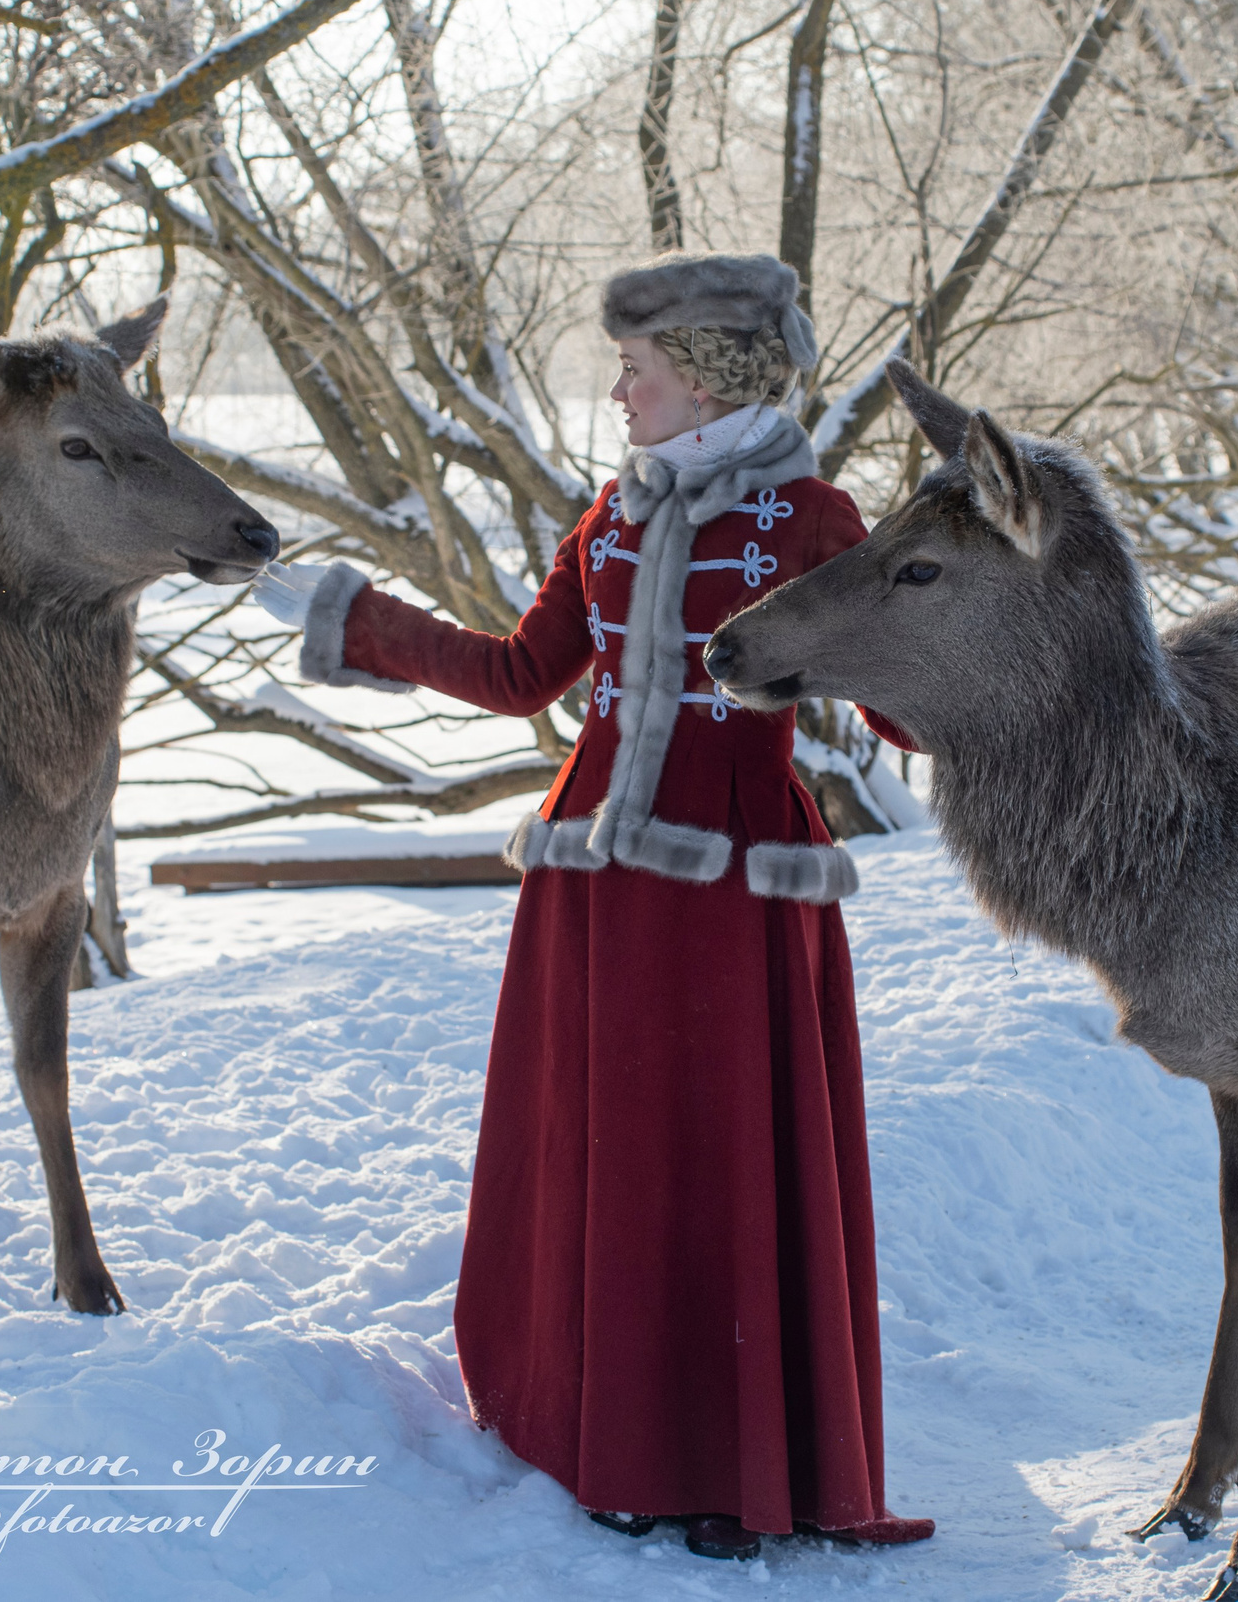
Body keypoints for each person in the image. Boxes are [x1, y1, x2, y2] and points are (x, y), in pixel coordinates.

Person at [261, 252, 932, 1561]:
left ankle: (733, 1452)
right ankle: (611, 1441)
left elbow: (904, 707)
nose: (618, 391)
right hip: (592, 890)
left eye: (638, 369)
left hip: (734, 881)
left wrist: (977, 619)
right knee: (613, 1149)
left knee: (719, 1145)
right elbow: (521, 674)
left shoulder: (813, 522)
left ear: (704, 374)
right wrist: (344, 613)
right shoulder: (611, 515)